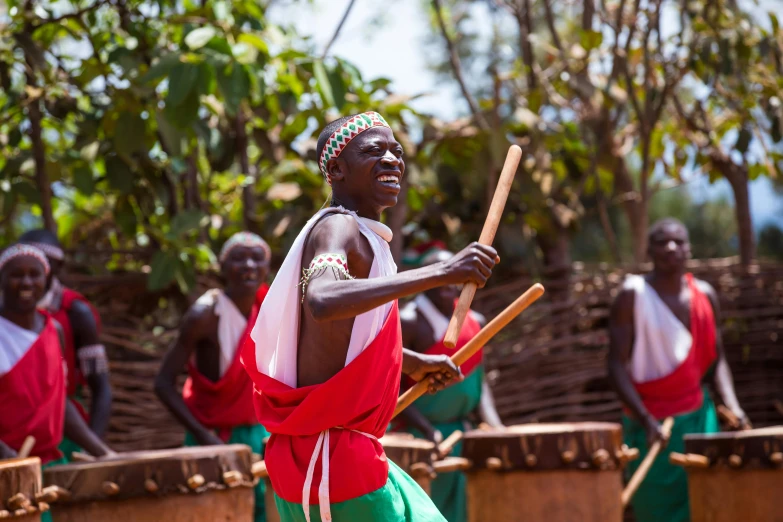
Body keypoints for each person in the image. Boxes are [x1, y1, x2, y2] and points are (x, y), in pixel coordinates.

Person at [241, 111, 499, 522]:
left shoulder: (368, 240)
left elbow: (346, 336)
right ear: (337, 170)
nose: (393, 159)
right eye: (374, 151)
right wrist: (441, 272)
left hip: (339, 453)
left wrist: (412, 363)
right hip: (329, 455)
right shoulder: (337, 227)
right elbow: (323, 300)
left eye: (396, 151)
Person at [608, 218, 749, 522]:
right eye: (661, 241)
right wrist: (646, 421)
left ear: (689, 249)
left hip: (699, 420)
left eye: (679, 241)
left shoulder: (704, 295)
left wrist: (733, 406)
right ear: (649, 249)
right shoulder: (632, 296)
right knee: (655, 511)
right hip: (649, 428)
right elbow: (615, 365)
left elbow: (717, 359)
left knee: (708, 504)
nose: (671, 247)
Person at [155, 231, 272, 522]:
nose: (248, 265)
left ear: (267, 268)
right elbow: (163, 383)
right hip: (212, 436)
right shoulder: (205, 315)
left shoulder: (269, 308)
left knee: (261, 513)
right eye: (238, 258)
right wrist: (203, 437)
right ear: (222, 267)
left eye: (257, 259)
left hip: (258, 435)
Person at [396, 242, 504, 522]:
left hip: (460, 434)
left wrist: (494, 424)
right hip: (419, 437)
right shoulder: (408, 321)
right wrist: (427, 430)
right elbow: (392, 384)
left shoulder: (475, 319)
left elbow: (479, 382)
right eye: (444, 274)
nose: (450, 283)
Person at [0, 243, 115, 464]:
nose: (26, 282)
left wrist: (102, 453)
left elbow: (58, 403)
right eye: (16, 275)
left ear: (47, 279)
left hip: (47, 461)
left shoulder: (54, 330)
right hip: (9, 465)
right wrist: (7, 456)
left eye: (35, 274)